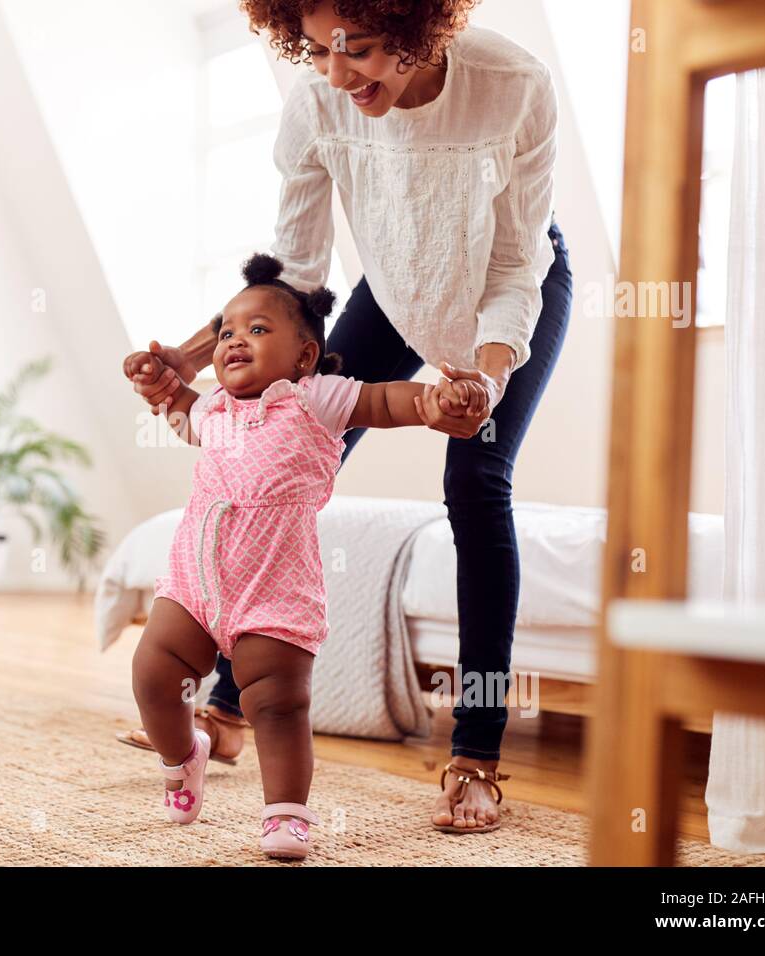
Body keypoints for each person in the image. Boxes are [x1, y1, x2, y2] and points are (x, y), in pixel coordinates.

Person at [125, 0, 573, 834]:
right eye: (317, 50)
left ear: (418, 28)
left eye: (358, 50)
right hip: (391, 285)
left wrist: (482, 373)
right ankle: (229, 712)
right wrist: (191, 358)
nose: (334, 75)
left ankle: (475, 757)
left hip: (506, 294)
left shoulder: (514, 85)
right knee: (282, 446)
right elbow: (292, 275)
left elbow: (516, 264)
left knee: (476, 482)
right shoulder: (316, 99)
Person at [130, 254, 482, 860]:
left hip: (274, 589)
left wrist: (433, 403)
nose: (237, 340)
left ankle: (285, 813)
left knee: (278, 703)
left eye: (259, 330)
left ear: (304, 356)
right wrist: (158, 384)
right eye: (227, 332)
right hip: (193, 582)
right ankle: (184, 754)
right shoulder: (213, 408)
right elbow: (179, 407)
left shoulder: (314, 401)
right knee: (153, 676)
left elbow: (388, 401)